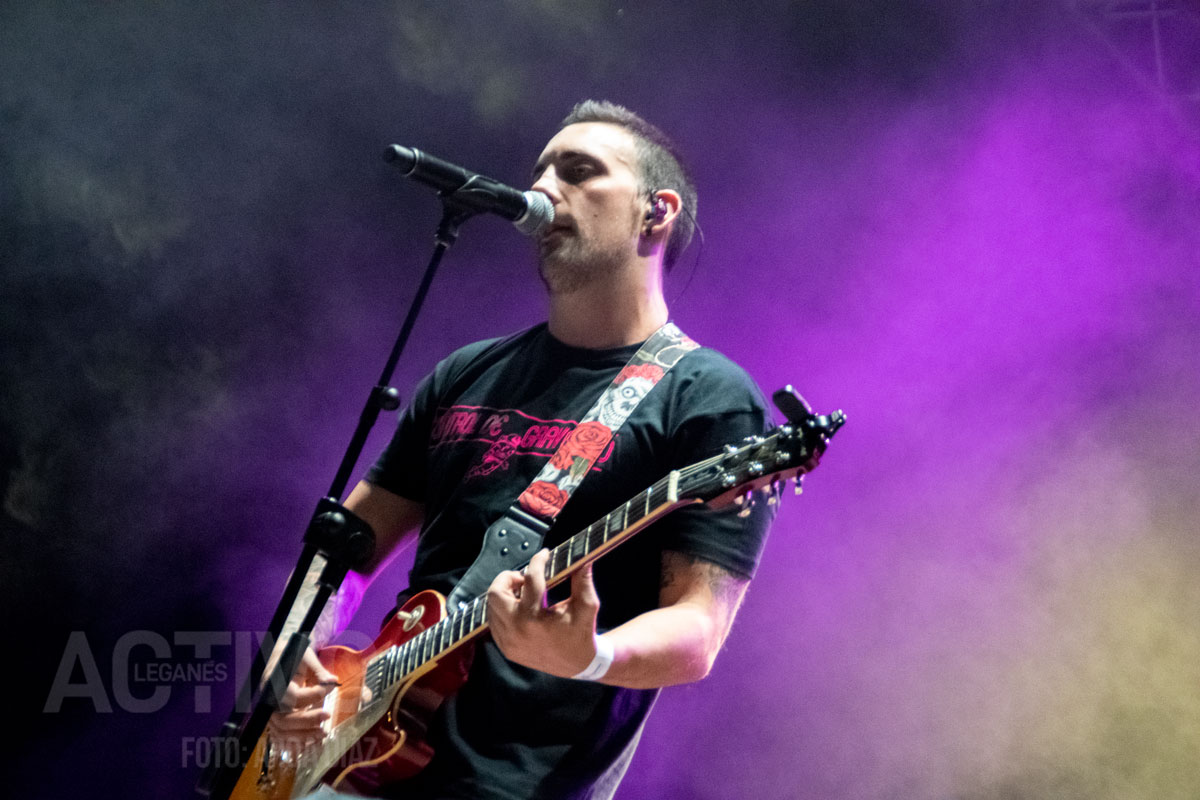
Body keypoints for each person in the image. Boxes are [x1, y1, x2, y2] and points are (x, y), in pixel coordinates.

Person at [271, 100, 778, 800]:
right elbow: (346, 547)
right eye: (540, 169)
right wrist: (293, 660)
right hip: (348, 764)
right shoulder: (466, 372)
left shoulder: (709, 397)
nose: (543, 187)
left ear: (655, 214)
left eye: (578, 171)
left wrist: (592, 655)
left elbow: (698, 633)